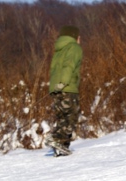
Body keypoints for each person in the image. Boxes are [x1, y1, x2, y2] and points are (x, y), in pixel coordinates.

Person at [45, 25, 83, 157]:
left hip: (56, 88)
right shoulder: (74, 47)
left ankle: (61, 147)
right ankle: (56, 138)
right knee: (72, 115)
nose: (80, 39)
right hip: (67, 87)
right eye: (78, 36)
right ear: (74, 36)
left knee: (63, 117)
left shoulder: (59, 49)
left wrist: (56, 86)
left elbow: (54, 69)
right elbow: (69, 66)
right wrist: (63, 82)